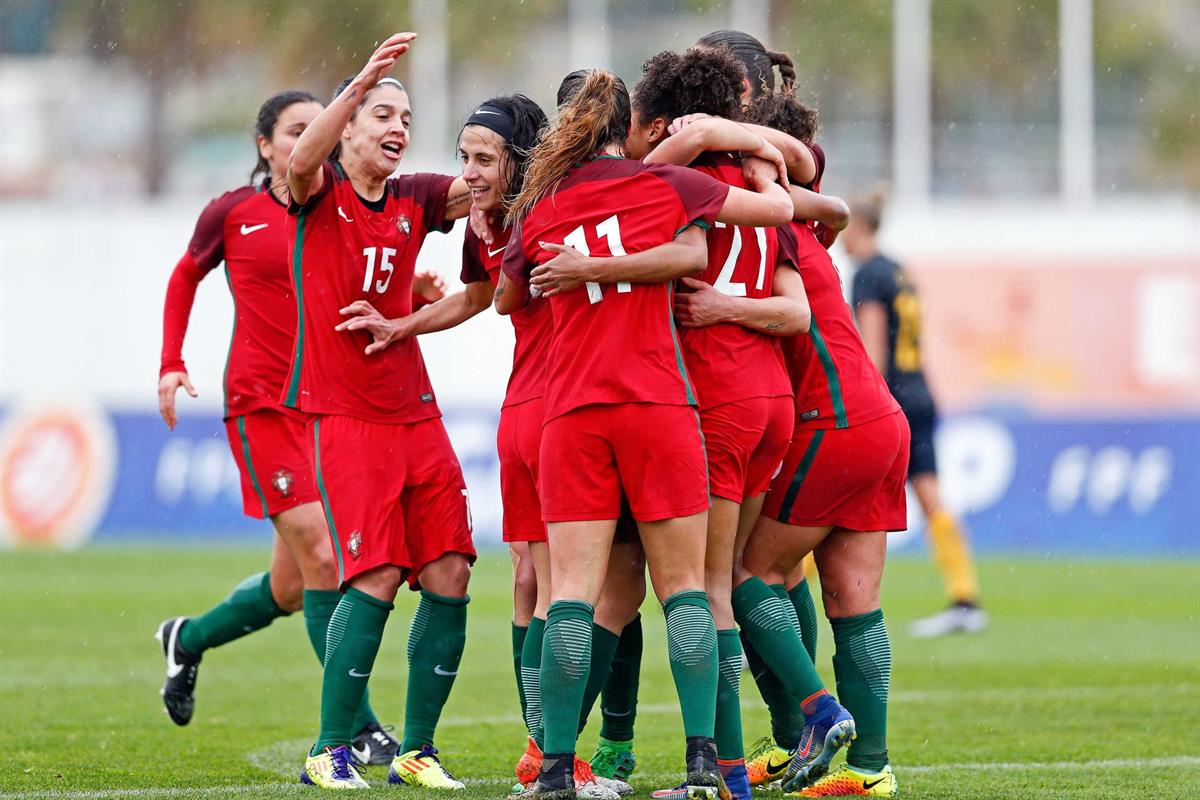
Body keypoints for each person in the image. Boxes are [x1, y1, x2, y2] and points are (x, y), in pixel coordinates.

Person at [496, 68, 793, 800]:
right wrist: (753, 151)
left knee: (570, 591)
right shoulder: (667, 188)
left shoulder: (539, 208)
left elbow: (507, 295)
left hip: (572, 412)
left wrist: (571, 262)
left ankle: (557, 769)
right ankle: (701, 763)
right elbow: (762, 219)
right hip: (658, 405)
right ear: (630, 128)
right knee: (686, 588)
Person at [154, 89, 412, 764]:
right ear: (266, 145)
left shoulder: (340, 210)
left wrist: (415, 299)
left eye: (319, 129)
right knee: (328, 558)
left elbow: (355, 288)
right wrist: (171, 361)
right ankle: (358, 724)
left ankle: (187, 639)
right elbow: (186, 275)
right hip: (261, 404)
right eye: (298, 131)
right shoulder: (233, 212)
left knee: (295, 586)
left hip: (327, 407)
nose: (312, 141)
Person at [284, 33, 477, 790]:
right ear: (348, 128)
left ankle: (417, 750)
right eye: (383, 115)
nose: (399, 128)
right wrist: (363, 74)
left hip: (417, 414)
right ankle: (328, 750)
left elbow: (487, 186)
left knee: (451, 569)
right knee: (377, 575)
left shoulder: (414, 197)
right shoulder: (318, 193)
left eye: (406, 116)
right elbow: (301, 161)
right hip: (347, 418)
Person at [620, 46, 813, 800]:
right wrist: (757, 145)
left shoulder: (680, 182)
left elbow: (635, 184)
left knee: (708, 589)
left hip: (718, 393)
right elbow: (804, 213)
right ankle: (799, 717)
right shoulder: (769, 180)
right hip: (773, 398)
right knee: (742, 573)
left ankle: (733, 767)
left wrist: (688, 139)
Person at [730, 93, 906, 798]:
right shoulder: (805, 223)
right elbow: (827, 211)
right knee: (854, 602)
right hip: (881, 420)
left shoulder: (771, 231)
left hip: (831, 421)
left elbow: (787, 310)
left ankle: (815, 714)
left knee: (741, 574)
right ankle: (871, 770)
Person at [844, 190, 987, 638]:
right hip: (921, 392)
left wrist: (865, 400)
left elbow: (873, 344)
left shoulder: (868, 273)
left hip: (890, 398)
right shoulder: (899, 270)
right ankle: (965, 597)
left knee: (831, 501)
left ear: (860, 227)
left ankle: (774, 611)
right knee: (930, 498)